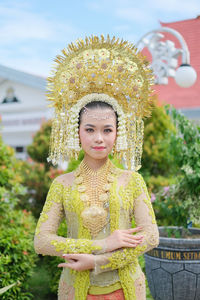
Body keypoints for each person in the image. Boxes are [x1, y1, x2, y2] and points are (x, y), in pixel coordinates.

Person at [34, 35, 159, 300]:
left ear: (118, 133)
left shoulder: (132, 180)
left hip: (126, 289)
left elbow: (150, 236)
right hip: (75, 290)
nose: (98, 138)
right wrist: (102, 244)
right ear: (77, 132)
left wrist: (99, 261)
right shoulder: (62, 184)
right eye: (90, 129)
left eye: (107, 130)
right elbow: (42, 241)